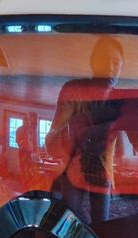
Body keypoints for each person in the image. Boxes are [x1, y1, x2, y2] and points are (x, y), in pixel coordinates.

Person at [44, 36, 125, 222]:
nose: (110, 68)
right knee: (71, 221)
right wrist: (80, 123)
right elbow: (51, 145)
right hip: (74, 172)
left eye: (116, 63)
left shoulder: (122, 101)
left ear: (122, 67)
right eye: (104, 61)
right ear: (93, 63)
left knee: (101, 224)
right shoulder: (74, 91)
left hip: (102, 172)